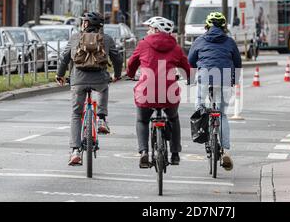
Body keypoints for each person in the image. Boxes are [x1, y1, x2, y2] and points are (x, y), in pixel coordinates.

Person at [56, 12, 122, 165]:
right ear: (100, 26)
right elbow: (117, 58)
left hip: (78, 80)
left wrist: (60, 75)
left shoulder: (75, 38)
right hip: (99, 79)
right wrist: (117, 75)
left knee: (76, 113)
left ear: (85, 24)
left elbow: (64, 58)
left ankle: (75, 151)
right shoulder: (106, 39)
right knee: (104, 88)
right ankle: (101, 119)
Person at [126, 16, 191, 168]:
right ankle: (175, 154)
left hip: (146, 93)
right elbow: (186, 67)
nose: (148, 31)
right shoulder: (175, 47)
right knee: (173, 118)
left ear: (156, 30)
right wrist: (189, 78)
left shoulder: (143, 44)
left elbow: (131, 63)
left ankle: (144, 152)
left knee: (142, 120)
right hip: (169, 93)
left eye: (150, 28)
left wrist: (130, 74)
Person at [187, 12, 242, 171]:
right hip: (224, 78)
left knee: (200, 107)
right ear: (224, 26)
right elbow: (237, 63)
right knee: (222, 114)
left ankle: (203, 133)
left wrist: (190, 80)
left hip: (205, 77)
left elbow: (191, 61)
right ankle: (226, 150)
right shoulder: (230, 42)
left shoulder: (199, 40)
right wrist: (234, 81)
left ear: (207, 26)